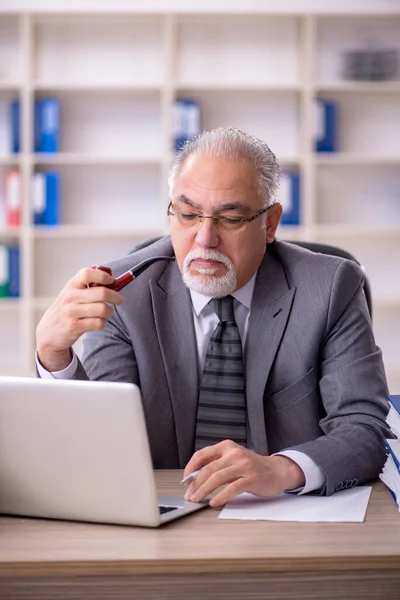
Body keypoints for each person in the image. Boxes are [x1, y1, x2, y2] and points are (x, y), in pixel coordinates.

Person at [36, 127, 390, 508]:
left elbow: (366, 429)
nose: (204, 238)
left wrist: (282, 469)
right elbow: (102, 441)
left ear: (269, 223)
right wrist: (54, 357)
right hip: (163, 512)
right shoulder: (124, 291)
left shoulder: (331, 287)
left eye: (230, 219)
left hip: (286, 513)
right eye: (188, 214)